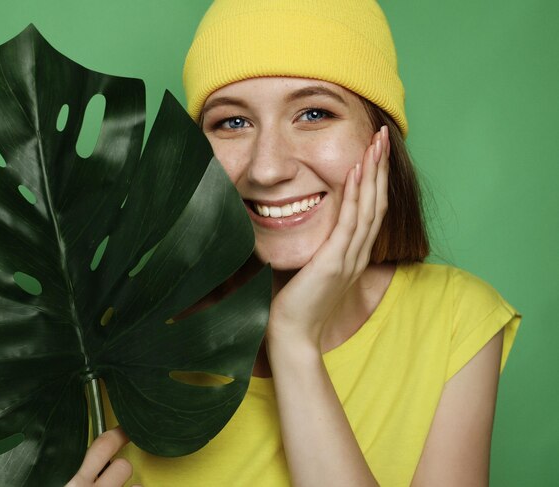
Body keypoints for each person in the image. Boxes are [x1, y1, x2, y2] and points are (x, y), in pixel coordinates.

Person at [66, 0, 521, 485]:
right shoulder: (104, 341)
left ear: (380, 136)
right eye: (232, 122)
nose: (267, 168)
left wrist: (294, 341)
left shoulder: (453, 320)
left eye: (313, 113)